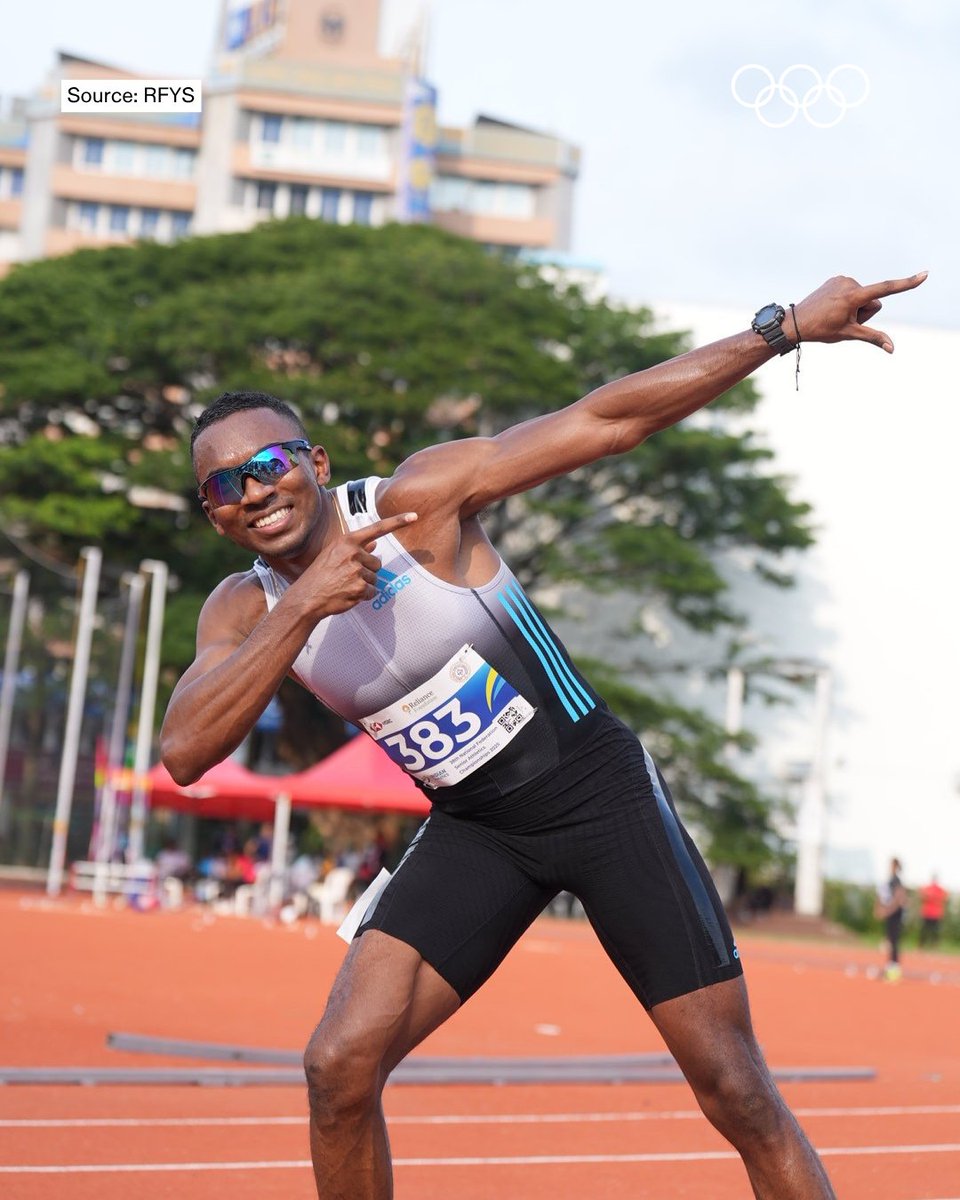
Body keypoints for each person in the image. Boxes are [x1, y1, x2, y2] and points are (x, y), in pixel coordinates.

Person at [161, 270, 925, 1200]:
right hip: (476, 831)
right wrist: (304, 608)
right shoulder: (241, 611)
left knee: (733, 1086)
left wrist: (784, 329)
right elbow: (186, 753)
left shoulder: (419, 503)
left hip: (595, 793)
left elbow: (607, 421)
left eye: (269, 463)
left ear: (315, 462)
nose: (254, 491)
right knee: (338, 1068)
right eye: (224, 486)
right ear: (213, 512)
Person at [875, 856, 908, 981]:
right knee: (891, 941)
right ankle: (891, 969)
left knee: (894, 942)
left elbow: (899, 898)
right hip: (892, 915)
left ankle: (894, 971)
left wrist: (887, 911)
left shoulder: (896, 880)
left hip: (895, 916)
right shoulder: (891, 880)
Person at [918, 873, 948, 948]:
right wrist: (930, 897)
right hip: (927, 912)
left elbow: (943, 899)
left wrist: (932, 897)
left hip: (935, 913)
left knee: (935, 930)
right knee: (924, 929)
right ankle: (922, 944)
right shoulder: (928, 887)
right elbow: (922, 896)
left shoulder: (939, 889)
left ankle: (934, 945)